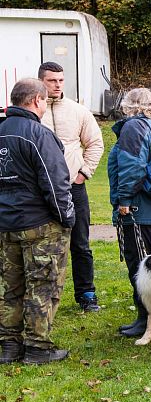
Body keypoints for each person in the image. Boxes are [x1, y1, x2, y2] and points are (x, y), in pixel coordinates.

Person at [0, 78, 75, 364]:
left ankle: (8, 345)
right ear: (36, 101)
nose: (45, 107)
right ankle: (37, 346)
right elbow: (56, 183)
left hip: (6, 225)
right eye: (44, 101)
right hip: (39, 225)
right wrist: (67, 218)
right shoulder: (37, 134)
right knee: (42, 285)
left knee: (10, 286)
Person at [38, 62, 105, 312]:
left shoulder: (78, 111)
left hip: (74, 188)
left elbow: (95, 143)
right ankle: (44, 295)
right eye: (51, 80)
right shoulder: (35, 111)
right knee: (44, 244)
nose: (57, 85)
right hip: (42, 190)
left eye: (61, 80)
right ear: (41, 82)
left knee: (80, 243)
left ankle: (87, 294)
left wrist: (83, 173)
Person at [107, 88, 151, 338]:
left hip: (139, 210)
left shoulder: (134, 127)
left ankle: (146, 319)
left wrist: (124, 200)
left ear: (129, 105)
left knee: (141, 267)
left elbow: (132, 166)